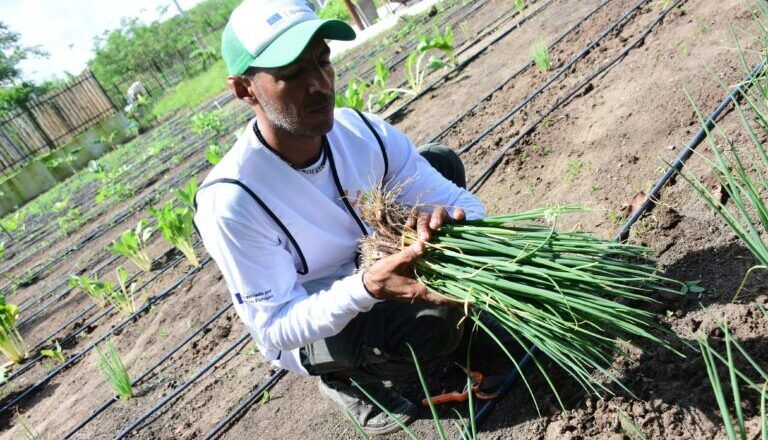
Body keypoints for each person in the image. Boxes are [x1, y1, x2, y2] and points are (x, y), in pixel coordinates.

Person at [194, 0, 486, 435]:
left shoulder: (360, 131)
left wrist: (454, 221)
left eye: (322, 60)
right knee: (435, 325)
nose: (318, 83)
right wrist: (368, 287)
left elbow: (466, 203)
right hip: (317, 318)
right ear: (245, 90)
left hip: (378, 258)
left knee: (439, 163)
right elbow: (276, 326)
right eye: (291, 73)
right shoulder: (234, 200)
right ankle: (347, 379)